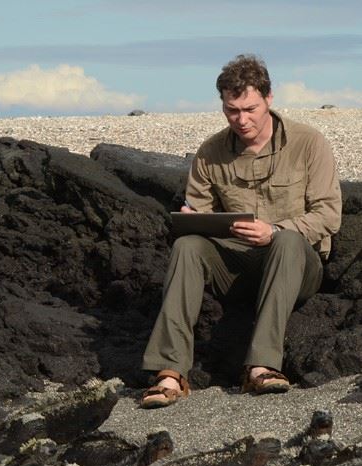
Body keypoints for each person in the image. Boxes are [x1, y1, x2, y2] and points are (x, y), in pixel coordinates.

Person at [140, 54, 342, 409]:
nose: (242, 119)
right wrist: (194, 218)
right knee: (187, 245)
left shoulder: (309, 143)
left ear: (269, 98)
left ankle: (262, 367)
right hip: (235, 266)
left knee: (287, 240)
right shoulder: (209, 152)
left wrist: (275, 230)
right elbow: (201, 220)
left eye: (249, 108)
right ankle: (169, 373)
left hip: (296, 266)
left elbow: (328, 215)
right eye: (232, 110)